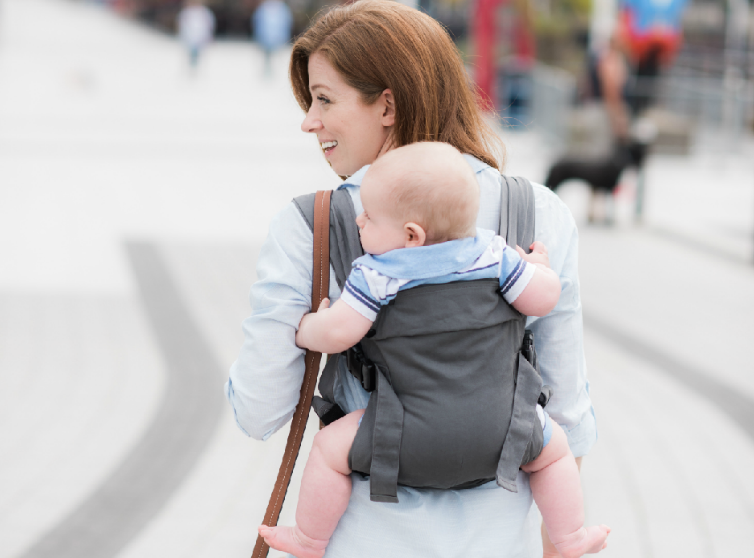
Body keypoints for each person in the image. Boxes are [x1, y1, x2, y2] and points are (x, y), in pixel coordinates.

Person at [226, 2, 597, 556]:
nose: (309, 121)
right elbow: (567, 410)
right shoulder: (538, 212)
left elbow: (258, 410)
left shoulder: (314, 226)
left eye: (323, 99)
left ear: (388, 105)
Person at [257, 142, 610, 558]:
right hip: (501, 429)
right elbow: (545, 299)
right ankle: (570, 537)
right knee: (554, 454)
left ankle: (309, 539)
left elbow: (338, 334)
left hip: (402, 434)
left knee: (329, 451)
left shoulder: (376, 273)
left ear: (411, 235)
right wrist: (538, 268)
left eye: (369, 216)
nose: (358, 220)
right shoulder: (494, 255)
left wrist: (306, 326)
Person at [253, 0, 292, 77]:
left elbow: (286, 24)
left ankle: (274, 75)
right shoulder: (263, 8)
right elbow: (257, 23)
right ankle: (267, 74)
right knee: (267, 57)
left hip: (277, 39)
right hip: (266, 39)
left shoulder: (282, 9)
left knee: (276, 58)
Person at [177, 0, 215, 69]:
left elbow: (210, 24)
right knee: (190, 50)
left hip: (201, 34)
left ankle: (196, 64)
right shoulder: (186, 12)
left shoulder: (205, 12)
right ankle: (191, 63)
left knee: (199, 51)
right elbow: (181, 24)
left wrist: (209, 35)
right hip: (189, 35)